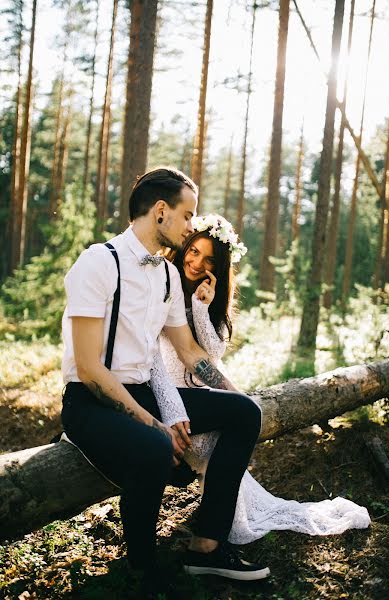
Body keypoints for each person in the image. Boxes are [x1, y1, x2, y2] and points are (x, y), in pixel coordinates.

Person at [60, 167, 269, 597]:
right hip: (89, 401)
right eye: (187, 214)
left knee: (245, 413)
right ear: (161, 212)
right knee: (157, 446)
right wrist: (154, 424)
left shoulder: (168, 276)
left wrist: (231, 393)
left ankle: (206, 547)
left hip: (143, 392)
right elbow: (88, 368)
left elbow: (190, 353)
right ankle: (142, 566)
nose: (191, 226)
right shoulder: (98, 263)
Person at [150, 214, 371, 544]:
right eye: (194, 251)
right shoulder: (162, 287)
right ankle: (209, 536)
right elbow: (180, 357)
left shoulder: (207, 301)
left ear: (219, 268)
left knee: (231, 427)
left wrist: (201, 307)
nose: (197, 262)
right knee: (224, 432)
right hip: (164, 394)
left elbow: (211, 352)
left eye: (209, 259)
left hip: (197, 396)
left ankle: (209, 530)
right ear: (184, 247)